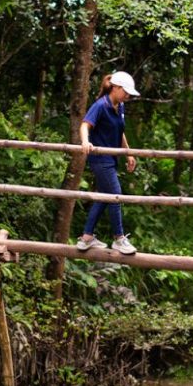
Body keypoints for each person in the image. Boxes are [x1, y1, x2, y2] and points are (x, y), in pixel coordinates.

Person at [76, 71, 140, 255]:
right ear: (116, 88)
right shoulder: (100, 105)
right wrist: (85, 142)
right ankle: (119, 238)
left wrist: (128, 153)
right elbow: (84, 125)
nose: (127, 96)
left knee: (105, 197)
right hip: (100, 159)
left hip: (111, 159)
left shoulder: (119, 107)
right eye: (125, 92)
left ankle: (86, 238)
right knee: (115, 195)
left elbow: (120, 132)